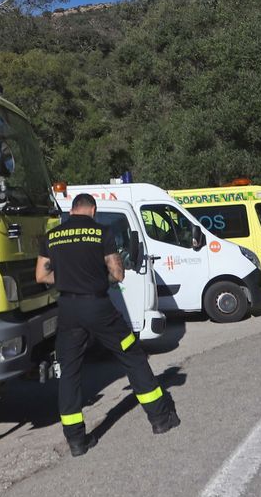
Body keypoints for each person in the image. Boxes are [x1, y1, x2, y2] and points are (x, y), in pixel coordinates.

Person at [36, 193, 178, 456]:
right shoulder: (101, 232)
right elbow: (118, 273)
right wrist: (100, 276)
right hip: (98, 308)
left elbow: (41, 275)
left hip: (68, 310)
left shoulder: (52, 236)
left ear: (72, 210)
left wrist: (66, 278)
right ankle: (160, 419)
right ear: (93, 210)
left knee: (69, 371)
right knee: (132, 356)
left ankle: (76, 441)